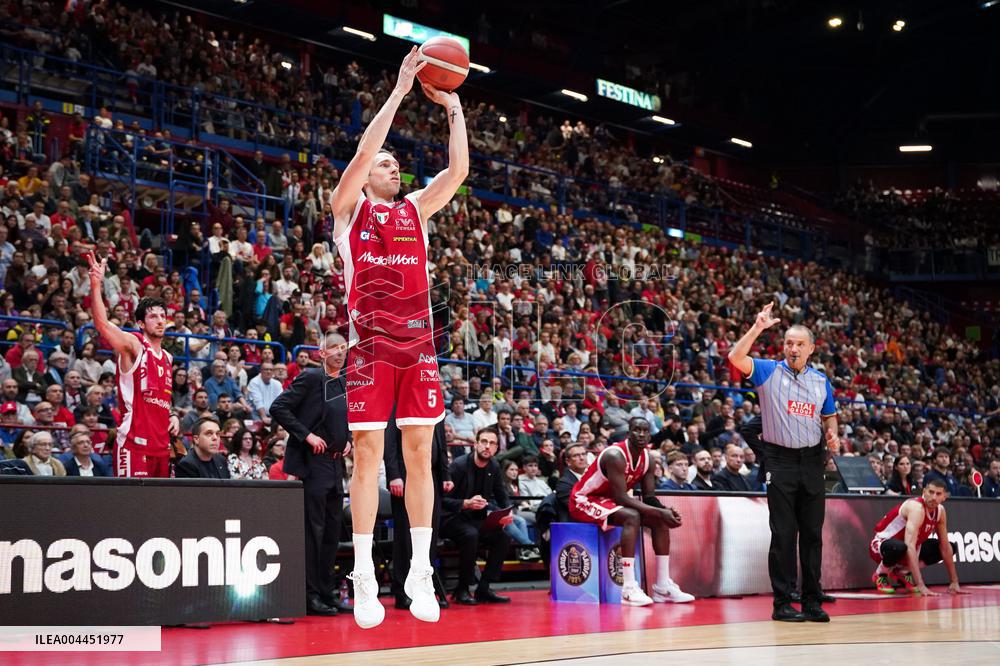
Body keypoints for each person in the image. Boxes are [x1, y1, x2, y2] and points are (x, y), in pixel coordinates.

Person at [328, 46, 468, 629]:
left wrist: (455, 109)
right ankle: (363, 571)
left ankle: (418, 569)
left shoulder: (416, 209)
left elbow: (457, 172)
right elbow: (363, 152)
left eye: (394, 164)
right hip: (369, 348)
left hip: (419, 349)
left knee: (420, 458)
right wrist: (402, 90)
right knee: (365, 456)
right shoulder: (347, 210)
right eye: (385, 163)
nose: (392, 167)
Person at [728, 302, 839, 623]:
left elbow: (830, 417)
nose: (793, 348)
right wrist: (757, 327)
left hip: (812, 461)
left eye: (799, 344)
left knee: (813, 534)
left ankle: (812, 600)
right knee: (783, 534)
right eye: (789, 343)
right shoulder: (768, 371)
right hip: (780, 460)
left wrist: (833, 436)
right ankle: (782, 603)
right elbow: (735, 358)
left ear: (811, 349)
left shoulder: (821, 382)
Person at [270, 330, 353, 617]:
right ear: (322, 353)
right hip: (314, 465)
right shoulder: (311, 377)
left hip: (335, 465)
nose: (340, 352)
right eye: (334, 348)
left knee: (332, 533)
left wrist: (348, 441)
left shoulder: (343, 383)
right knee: (313, 533)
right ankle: (309, 595)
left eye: (343, 347)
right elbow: (278, 407)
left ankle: (327, 591)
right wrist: (306, 436)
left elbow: (345, 420)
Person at [569, 417, 694, 606]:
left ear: (650, 435)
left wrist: (664, 511)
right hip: (584, 499)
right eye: (636, 430)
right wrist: (660, 512)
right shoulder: (615, 455)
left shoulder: (648, 460)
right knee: (632, 516)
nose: (641, 434)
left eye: (645, 430)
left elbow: (649, 497)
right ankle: (628, 588)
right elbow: (622, 498)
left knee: (659, 520)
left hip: (609, 501)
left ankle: (662, 587)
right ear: (628, 433)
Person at [86, 252, 179, 477]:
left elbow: (162, 396)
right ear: (140, 323)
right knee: (131, 509)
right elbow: (102, 325)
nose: (159, 320)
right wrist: (96, 285)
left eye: (162, 316)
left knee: (158, 510)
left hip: (162, 447)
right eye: (152, 316)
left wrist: (173, 414)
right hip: (134, 445)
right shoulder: (134, 344)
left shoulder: (168, 357)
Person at [384, 411, 451, 611]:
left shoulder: (433, 406)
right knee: (405, 539)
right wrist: (394, 475)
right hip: (405, 477)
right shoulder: (398, 406)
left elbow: (441, 444)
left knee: (429, 536)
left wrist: (445, 475)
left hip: (431, 478)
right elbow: (390, 444)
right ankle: (403, 592)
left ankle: (424, 587)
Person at [441, 425, 513, 605]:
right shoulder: (458, 466)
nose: (488, 447)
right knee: (470, 535)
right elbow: (441, 500)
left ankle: (484, 588)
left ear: (497, 448)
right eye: (484, 442)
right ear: (475, 444)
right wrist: (465, 503)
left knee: (502, 537)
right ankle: (462, 589)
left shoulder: (494, 466)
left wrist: (507, 513)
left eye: (492, 443)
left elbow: (502, 495)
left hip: (476, 519)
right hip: (451, 519)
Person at [869, 478, 968, 597]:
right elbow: (909, 546)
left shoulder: (940, 511)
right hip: (882, 546)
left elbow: (945, 547)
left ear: (944, 497)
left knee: (950, 547)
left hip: (906, 549)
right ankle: (881, 575)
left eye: (938, 494)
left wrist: (954, 581)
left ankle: (903, 572)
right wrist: (920, 584)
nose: (933, 497)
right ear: (924, 491)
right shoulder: (916, 508)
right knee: (900, 547)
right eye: (930, 492)